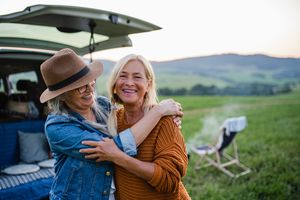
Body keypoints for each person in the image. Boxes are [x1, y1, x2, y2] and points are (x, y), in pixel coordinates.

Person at [39, 48, 183, 200]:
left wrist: (167, 115)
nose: (89, 90)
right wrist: (158, 112)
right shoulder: (58, 127)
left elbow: (131, 112)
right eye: (80, 86)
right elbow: (113, 149)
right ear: (61, 96)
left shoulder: (103, 106)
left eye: (90, 81)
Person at [80, 54, 191, 199]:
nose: (129, 82)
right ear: (114, 84)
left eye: (137, 77)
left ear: (148, 84)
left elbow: (169, 180)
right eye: (123, 76)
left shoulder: (164, 121)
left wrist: (119, 157)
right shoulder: (111, 119)